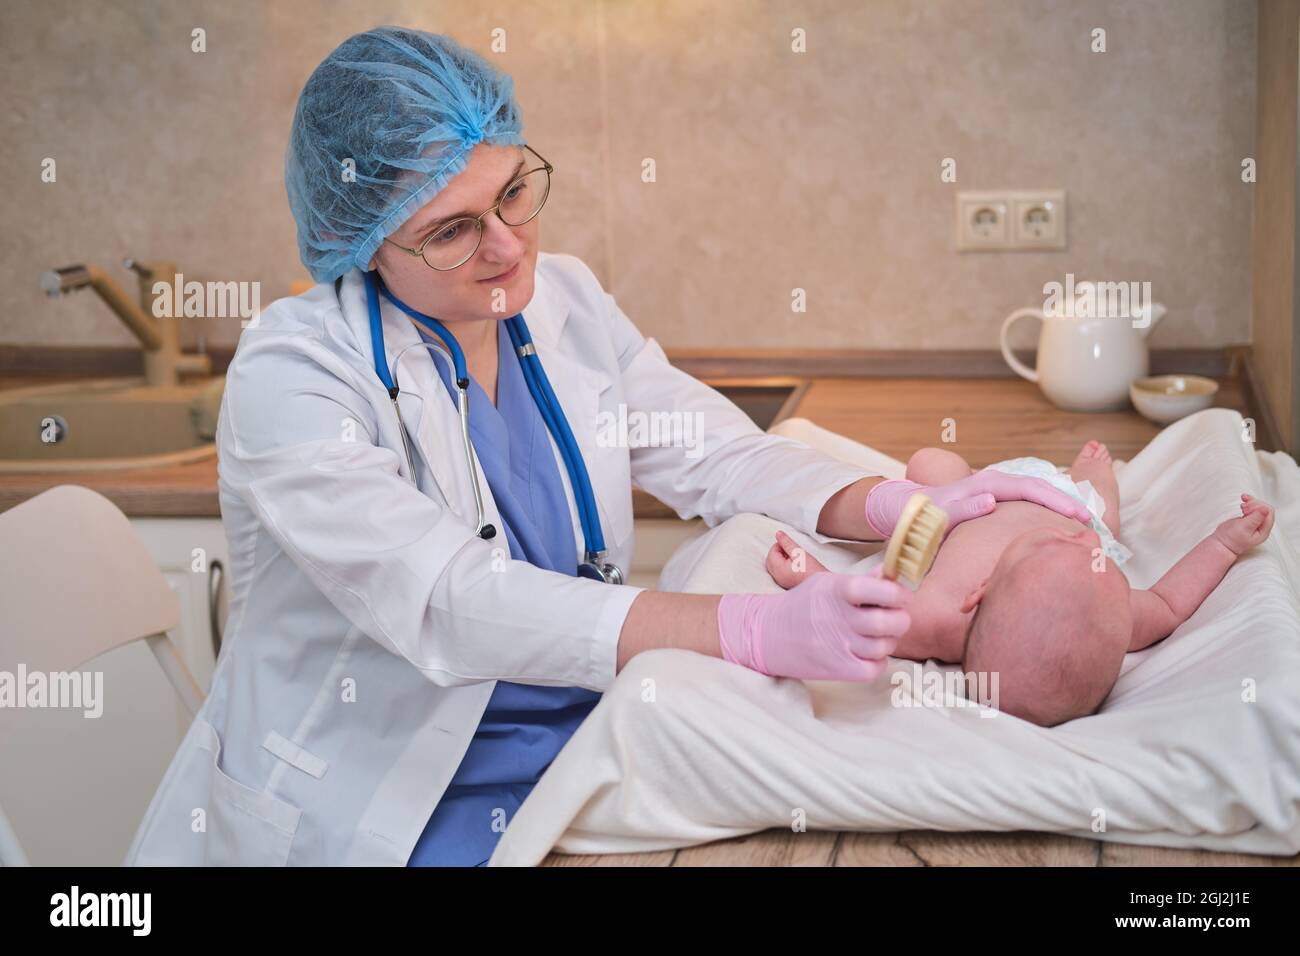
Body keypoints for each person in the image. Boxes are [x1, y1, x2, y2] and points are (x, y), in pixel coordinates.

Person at [125, 25, 1092, 866]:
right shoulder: (294, 377)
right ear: (365, 242)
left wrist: (891, 501)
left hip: (575, 749)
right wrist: (750, 630)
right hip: (378, 799)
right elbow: (449, 601)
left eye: (513, 194)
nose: (507, 246)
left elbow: (715, 452)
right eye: (452, 230)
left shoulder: (565, 301)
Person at [766, 441, 1276, 726]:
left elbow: (864, 614)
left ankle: (973, 469)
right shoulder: (1115, 605)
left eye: (1055, 547)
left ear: (977, 595)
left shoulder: (942, 620)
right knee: (1107, 518)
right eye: (1098, 563)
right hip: (1072, 502)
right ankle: (1090, 475)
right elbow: (1169, 601)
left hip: (976, 495)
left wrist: (811, 577)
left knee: (931, 466)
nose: (1080, 545)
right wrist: (1224, 544)